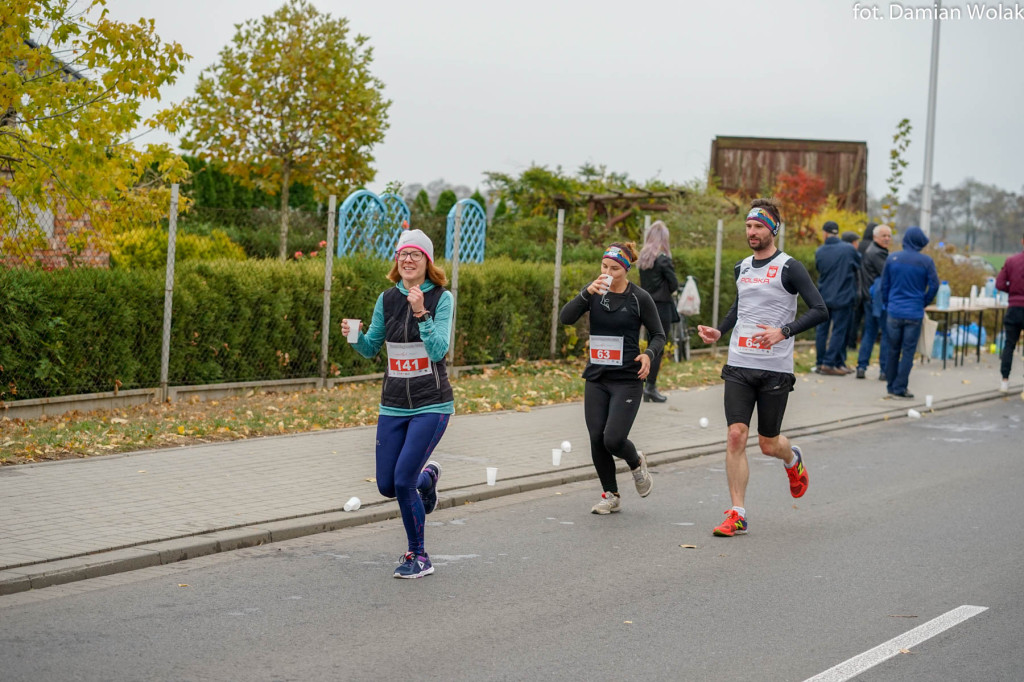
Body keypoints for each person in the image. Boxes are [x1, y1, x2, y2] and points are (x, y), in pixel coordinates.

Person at [697, 198, 828, 537]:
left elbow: (820, 310)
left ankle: (792, 458)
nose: (751, 232)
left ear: (773, 229)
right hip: (739, 363)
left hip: (775, 368)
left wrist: (783, 331)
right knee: (735, 435)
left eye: (758, 226)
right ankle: (737, 512)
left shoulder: (789, 267)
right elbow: (740, 307)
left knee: (768, 443)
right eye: (748, 226)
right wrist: (719, 331)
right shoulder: (742, 267)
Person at [343, 228, 453, 579]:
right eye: (402, 254)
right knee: (387, 486)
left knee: (402, 480)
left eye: (415, 255)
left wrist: (422, 313)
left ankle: (418, 556)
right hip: (392, 405)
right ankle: (428, 479)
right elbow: (373, 347)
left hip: (431, 404)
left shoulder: (441, 299)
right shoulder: (386, 299)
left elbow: (438, 351)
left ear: (427, 262)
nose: (407, 260)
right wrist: (355, 337)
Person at [559, 242, 665, 514]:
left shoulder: (639, 297)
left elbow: (659, 335)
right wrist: (586, 293)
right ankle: (611, 495)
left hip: (627, 379)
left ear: (626, 270)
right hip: (597, 376)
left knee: (613, 439)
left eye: (614, 268)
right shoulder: (594, 292)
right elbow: (565, 318)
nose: (607, 272)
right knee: (596, 437)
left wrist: (649, 355)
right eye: (604, 266)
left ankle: (636, 462)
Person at [880, 226, 939, 400]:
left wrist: (888, 303)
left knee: (892, 350)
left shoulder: (892, 258)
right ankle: (900, 387)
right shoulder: (926, 261)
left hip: (894, 311)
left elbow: (884, 285)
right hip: (914, 313)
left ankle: (890, 386)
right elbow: (934, 285)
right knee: (907, 351)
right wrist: (924, 301)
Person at [638, 221, 680, 403]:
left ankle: (644, 384)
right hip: (661, 307)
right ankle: (650, 387)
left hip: (646, 306)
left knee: (648, 345)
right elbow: (674, 285)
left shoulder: (643, 259)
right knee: (658, 347)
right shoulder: (663, 259)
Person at [814, 221, 861, 375]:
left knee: (822, 331)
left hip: (823, 297)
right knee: (839, 331)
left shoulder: (820, 251)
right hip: (843, 296)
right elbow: (857, 265)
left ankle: (821, 362)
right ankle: (829, 363)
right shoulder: (848, 249)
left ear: (825, 233)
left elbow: (819, 269)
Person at [855, 225, 893, 380]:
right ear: (875, 237)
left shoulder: (872, 250)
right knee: (884, 334)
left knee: (869, 334)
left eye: (889, 236)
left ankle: (861, 367)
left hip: (869, 299)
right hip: (879, 300)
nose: (887, 238)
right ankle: (884, 370)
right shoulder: (877, 253)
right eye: (883, 235)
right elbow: (889, 275)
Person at [996, 232, 1024, 393]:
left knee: (1009, 345)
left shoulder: (1011, 261)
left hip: (1013, 308)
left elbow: (999, 284)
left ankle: (1004, 381)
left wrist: (1013, 292)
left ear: (1022, 241)